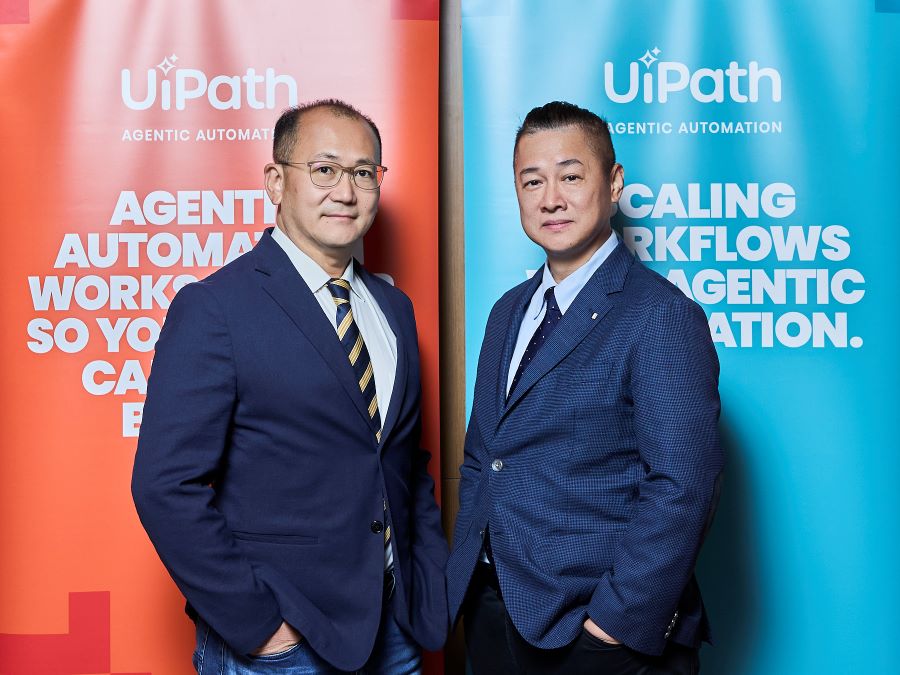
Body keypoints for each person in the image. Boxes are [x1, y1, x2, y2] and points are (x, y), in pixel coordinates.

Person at [132, 99, 448, 673]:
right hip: (286, 642)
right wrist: (260, 628)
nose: (346, 191)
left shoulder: (394, 309)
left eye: (363, 172)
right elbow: (165, 486)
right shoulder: (215, 307)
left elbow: (405, 464)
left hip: (396, 631)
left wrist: (427, 588)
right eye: (324, 170)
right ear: (276, 182)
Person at [446, 101, 724, 674]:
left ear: (614, 183)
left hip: (598, 633)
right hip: (495, 615)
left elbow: (683, 484)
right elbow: (484, 459)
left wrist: (614, 625)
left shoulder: (661, 315)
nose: (551, 199)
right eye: (532, 181)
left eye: (570, 176)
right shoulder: (507, 312)